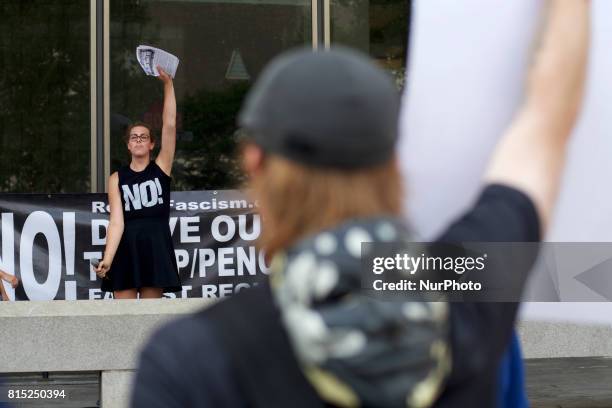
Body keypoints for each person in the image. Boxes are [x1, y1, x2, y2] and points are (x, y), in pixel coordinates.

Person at [130, 1, 589, 406]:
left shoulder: (188, 363)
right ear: (393, 162)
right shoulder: (471, 294)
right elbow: (545, 123)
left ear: (255, 164)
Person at [95, 66, 181, 299]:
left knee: (149, 317)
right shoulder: (116, 178)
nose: (139, 140)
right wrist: (108, 259)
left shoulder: (161, 167)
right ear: (128, 145)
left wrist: (167, 85)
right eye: (134, 137)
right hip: (126, 248)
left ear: (152, 144)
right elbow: (116, 223)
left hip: (155, 246)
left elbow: (170, 125)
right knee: (124, 318)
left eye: (144, 137)